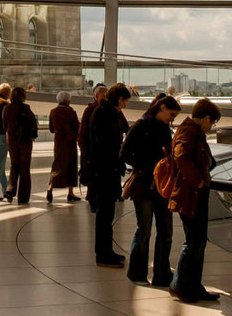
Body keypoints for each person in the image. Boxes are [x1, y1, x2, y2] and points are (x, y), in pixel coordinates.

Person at [122, 95, 180, 287]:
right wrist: (146, 166)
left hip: (161, 186)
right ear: (162, 107)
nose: (172, 118)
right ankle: (138, 273)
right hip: (145, 184)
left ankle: (161, 274)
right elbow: (124, 153)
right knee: (145, 229)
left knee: (165, 231)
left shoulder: (163, 128)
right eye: (172, 114)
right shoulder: (140, 126)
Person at [169, 99, 221, 304]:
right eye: (213, 122)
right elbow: (181, 157)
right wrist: (198, 181)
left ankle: (193, 285)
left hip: (195, 193)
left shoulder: (192, 131)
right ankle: (180, 285)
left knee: (198, 241)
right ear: (206, 118)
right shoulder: (189, 132)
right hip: (191, 194)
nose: (212, 126)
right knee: (193, 241)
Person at [88, 83, 130, 267]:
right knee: (105, 213)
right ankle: (103, 254)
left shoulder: (105, 112)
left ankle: (106, 250)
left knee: (107, 213)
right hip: (106, 169)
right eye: (125, 101)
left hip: (106, 168)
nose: (126, 105)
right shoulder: (106, 114)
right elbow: (106, 144)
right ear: (119, 99)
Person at [2, 86, 37, 204]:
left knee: (14, 165)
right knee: (24, 168)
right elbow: (33, 122)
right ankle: (23, 197)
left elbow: (4, 125)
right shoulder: (26, 108)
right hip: (25, 141)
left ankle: (10, 190)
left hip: (12, 141)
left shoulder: (6, 108)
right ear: (22, 96)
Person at [46, 91, 80, 203]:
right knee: (71, 166)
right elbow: (77, 127)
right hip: (70, 142)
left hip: (59, 142)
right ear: (68, 101)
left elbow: (51, 129)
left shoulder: (53, 111)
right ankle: (70, 193)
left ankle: (50, 186)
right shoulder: (71, 112)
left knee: (57, 164)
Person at [77, 84, 107, 208]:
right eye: (103, 94)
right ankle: (93, 198)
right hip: (92, 150)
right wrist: (84, 150)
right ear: (96, 96)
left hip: (103, 151)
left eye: (106, 94)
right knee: (93, 176)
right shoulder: (90, 110)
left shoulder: (110, 109)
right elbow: (83, 132)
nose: (105, 97)